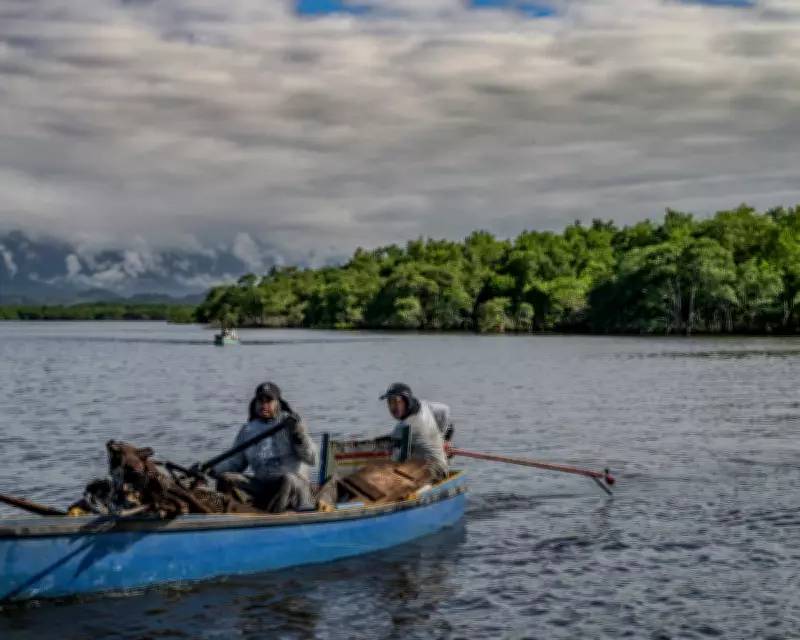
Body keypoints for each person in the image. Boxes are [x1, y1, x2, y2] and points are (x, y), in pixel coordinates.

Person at [201, 381, 319, 513]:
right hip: (264, 486)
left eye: (268, 400)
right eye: (260, 401)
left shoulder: (291, 423)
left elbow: (312, 459)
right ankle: (226, 518)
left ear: (278, 402)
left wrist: (299, 436)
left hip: (295, 486)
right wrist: (209, 469)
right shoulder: (248, 430)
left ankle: (271, 520)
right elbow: (235, 462)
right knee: (226, 479)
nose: (264, 405)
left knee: (287, 479)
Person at [378, 382, 452, 482]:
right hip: (441, 464)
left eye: (396, 402)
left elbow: (400, 460)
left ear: (406, 400)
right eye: (390, 403)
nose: (393, 408)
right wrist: (444, 438)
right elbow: (445, 411)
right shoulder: (424, 405)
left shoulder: (405, 427)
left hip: (435, 473)